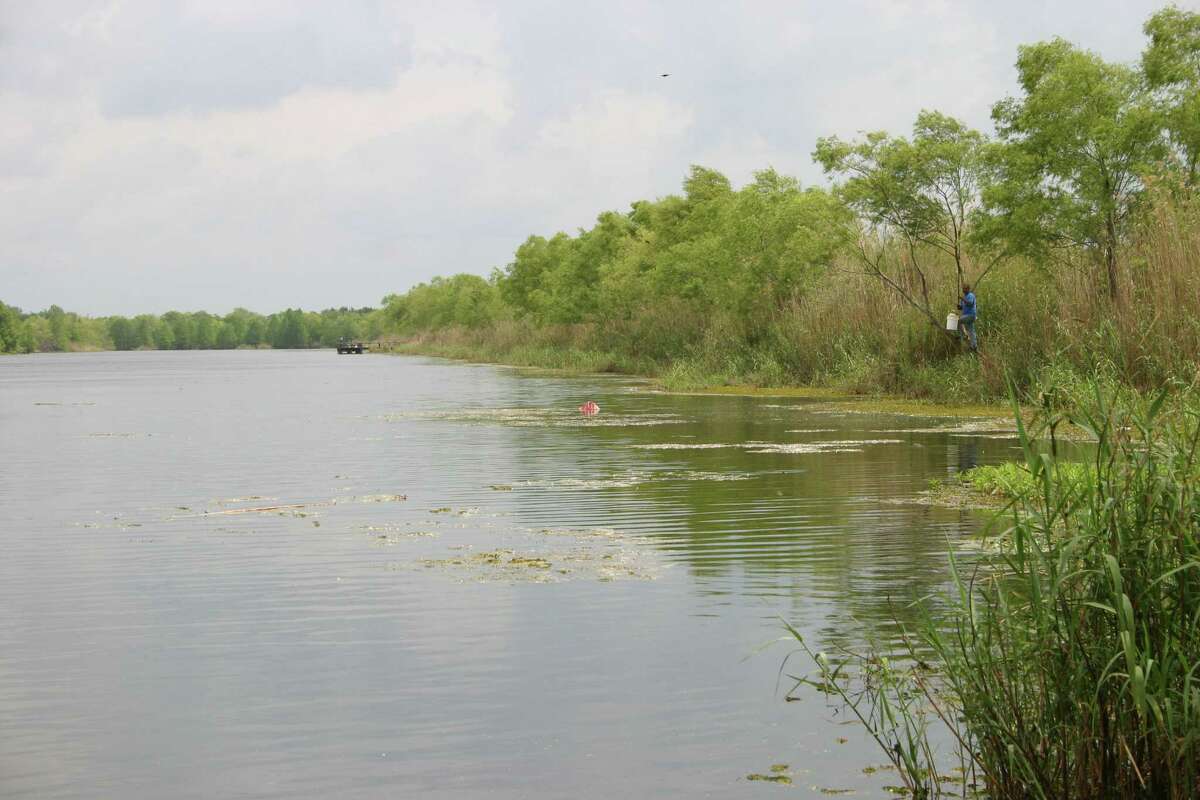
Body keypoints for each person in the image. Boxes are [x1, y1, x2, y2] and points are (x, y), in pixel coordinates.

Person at [957, 284, 978, 352]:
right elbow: (962, 307)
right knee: (971, 330)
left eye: (965, 289)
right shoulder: (965, 297)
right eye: (963, 289)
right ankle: (974, 346)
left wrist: (963, 299)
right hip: (967, 315)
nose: (963, 290)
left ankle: (964, 335)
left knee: (959, 321)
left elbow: (970, 303)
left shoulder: (970, 295)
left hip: (971, 315)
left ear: (968, 289)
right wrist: (959, 306)